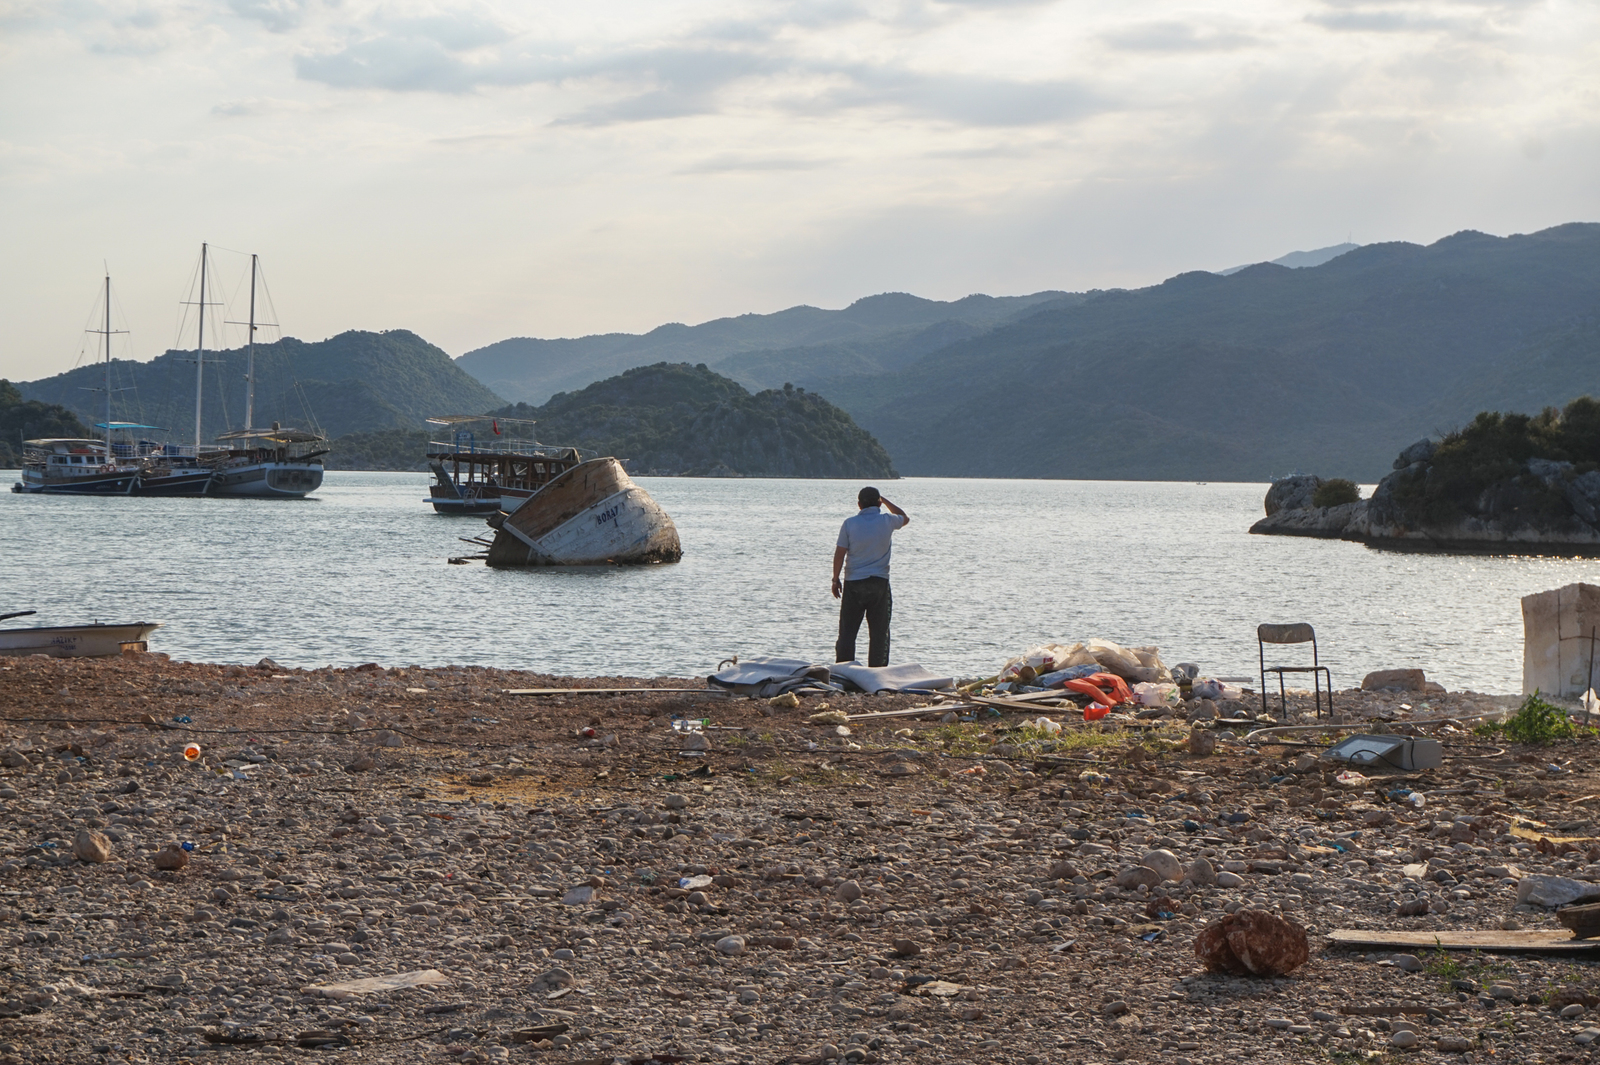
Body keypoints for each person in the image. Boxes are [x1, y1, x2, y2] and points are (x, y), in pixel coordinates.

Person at [831, 486, 909, 667]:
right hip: (879, 582)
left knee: (847, 632)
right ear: (880, 503)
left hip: (853, 582)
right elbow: (905, 517)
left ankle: (844, 671)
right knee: (879, 633)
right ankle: (877, 673)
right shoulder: (888, 520)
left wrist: (835, 579)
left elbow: (840, 553)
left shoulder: (849, 523)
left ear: (859, 505)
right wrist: (885, 501)